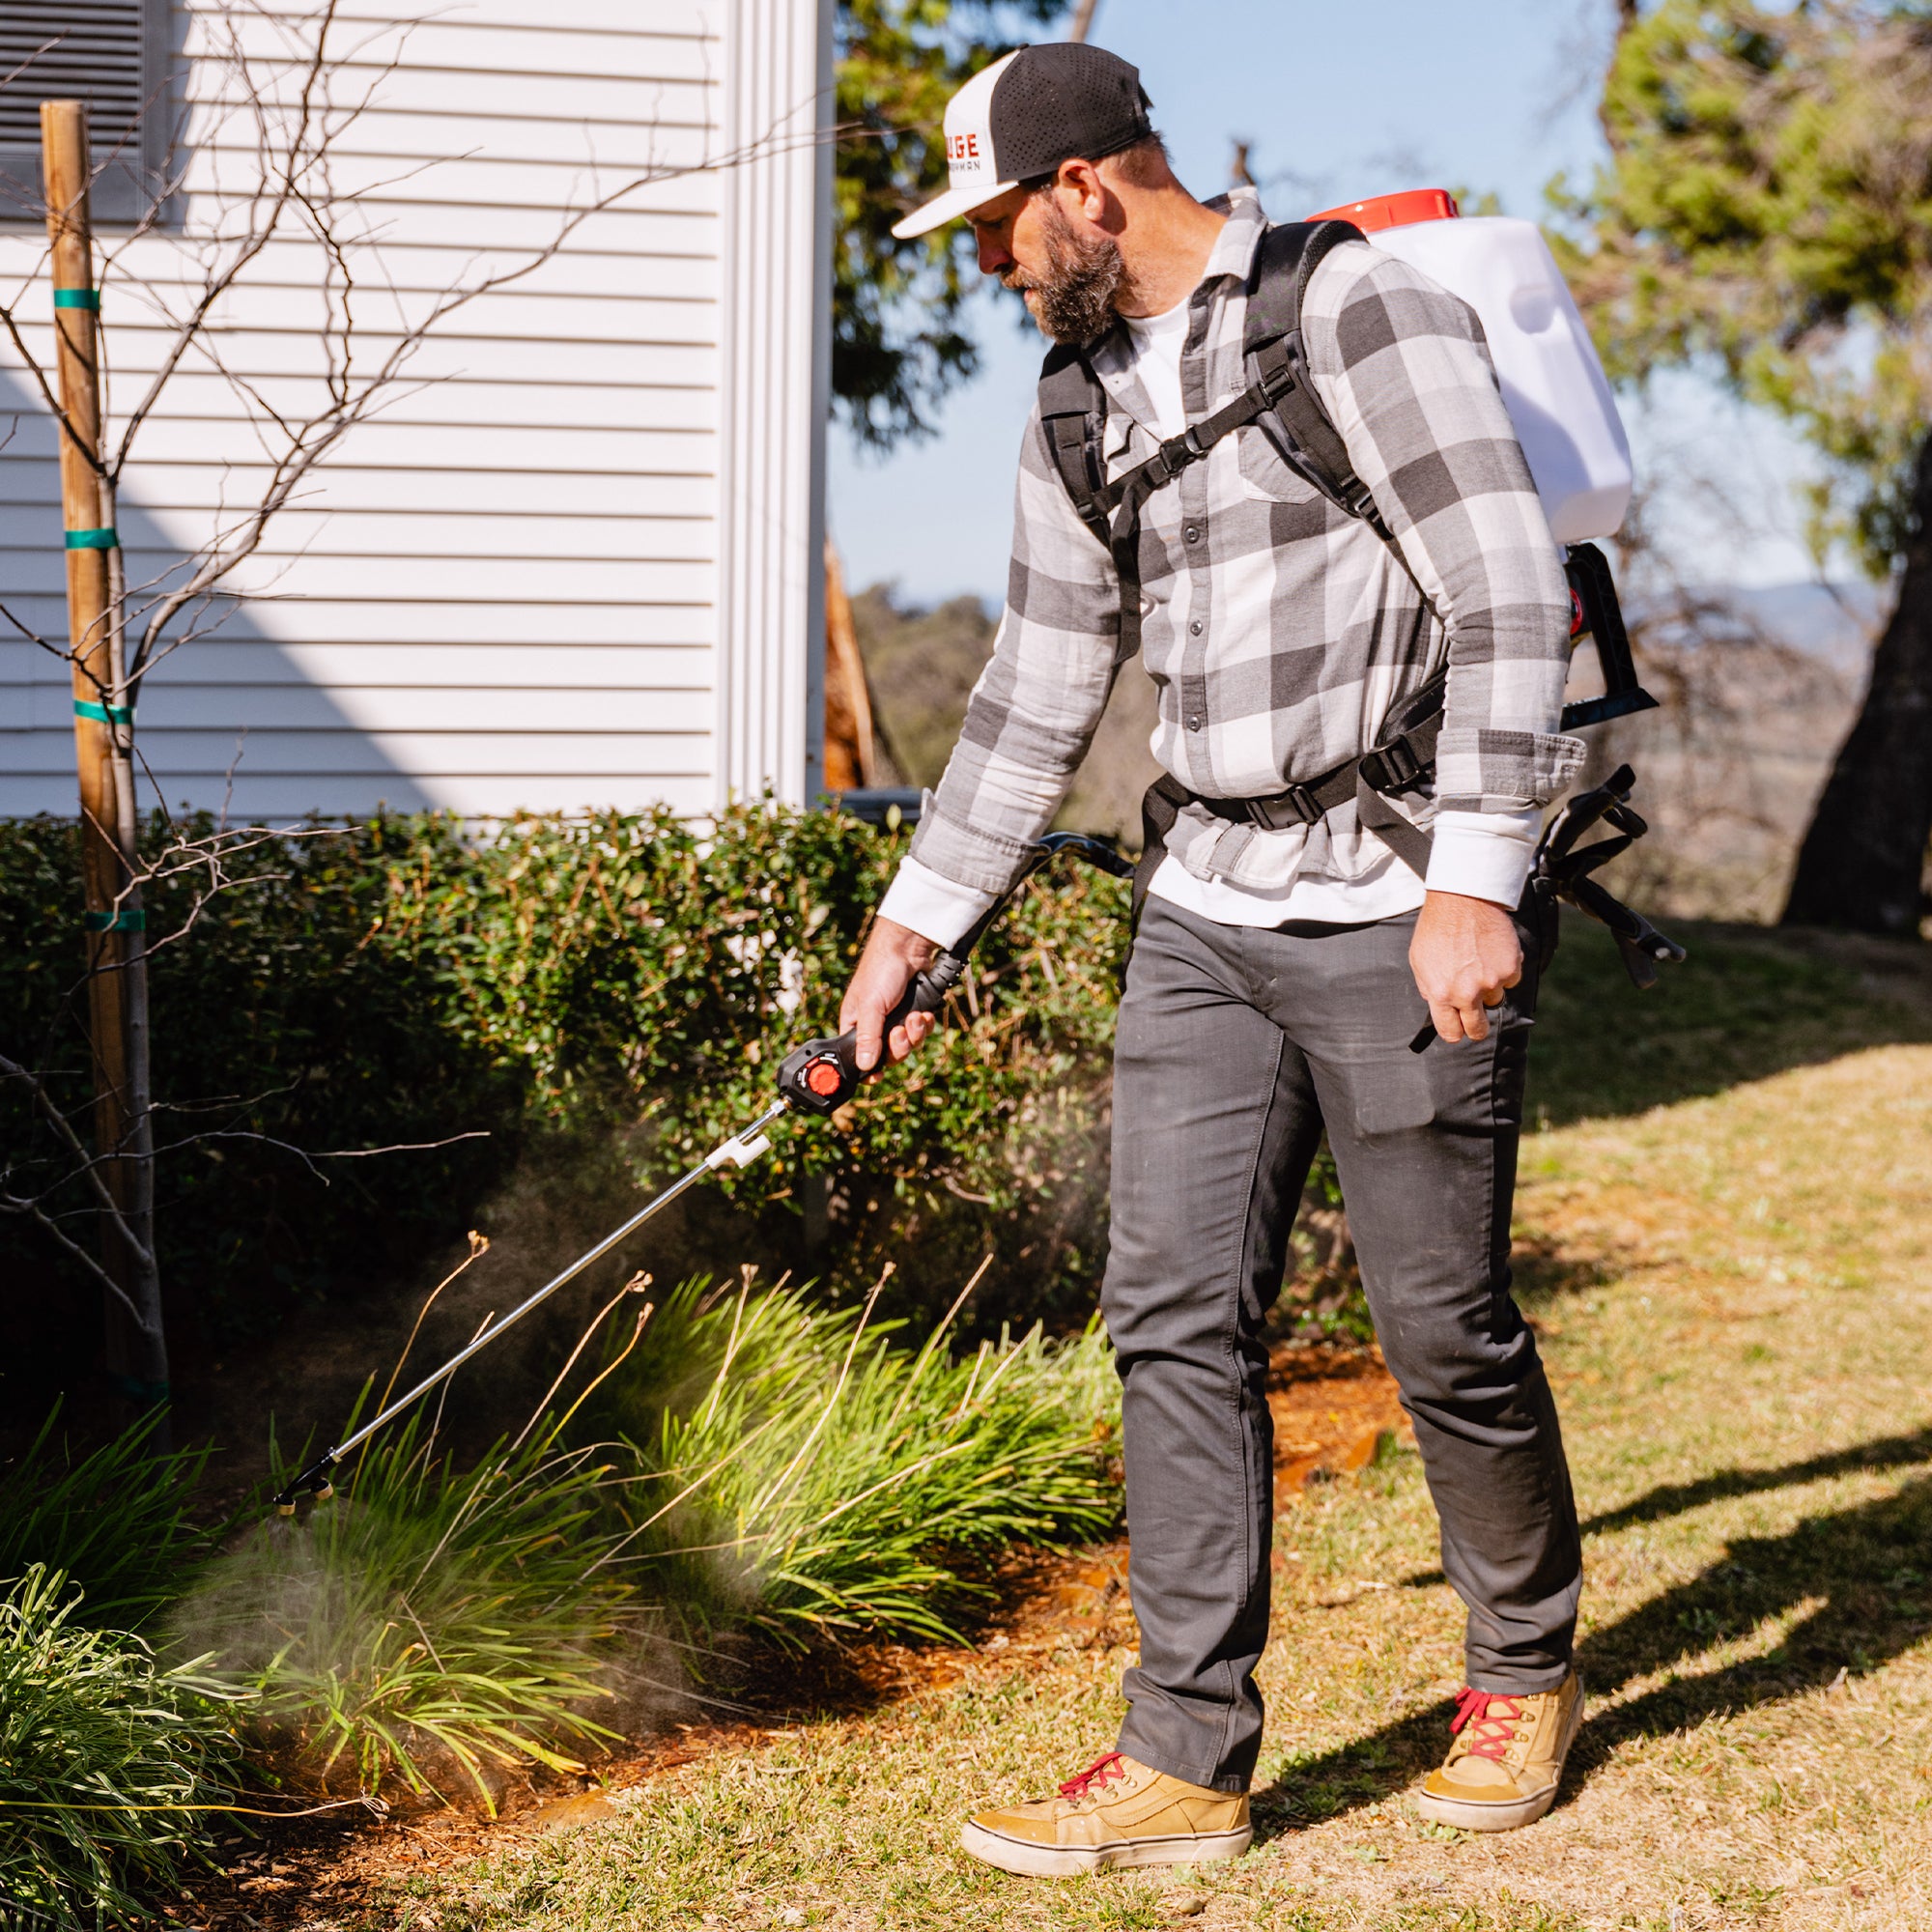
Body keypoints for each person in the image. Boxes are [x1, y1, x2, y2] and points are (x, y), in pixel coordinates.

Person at [841, 42, 1588, 1878]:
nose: (995, 266)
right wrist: (910, 928)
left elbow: (1506, 591)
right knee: (1170, 1318)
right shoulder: (1075, 405)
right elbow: (1033, 691)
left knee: (1440, 1329)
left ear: (1088, 184)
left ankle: (1521, 1666)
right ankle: (1185, 1756)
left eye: (1003, 226)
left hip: (1403, 891)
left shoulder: (1352, 311)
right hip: (1205, 912)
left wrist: (1477, 881)